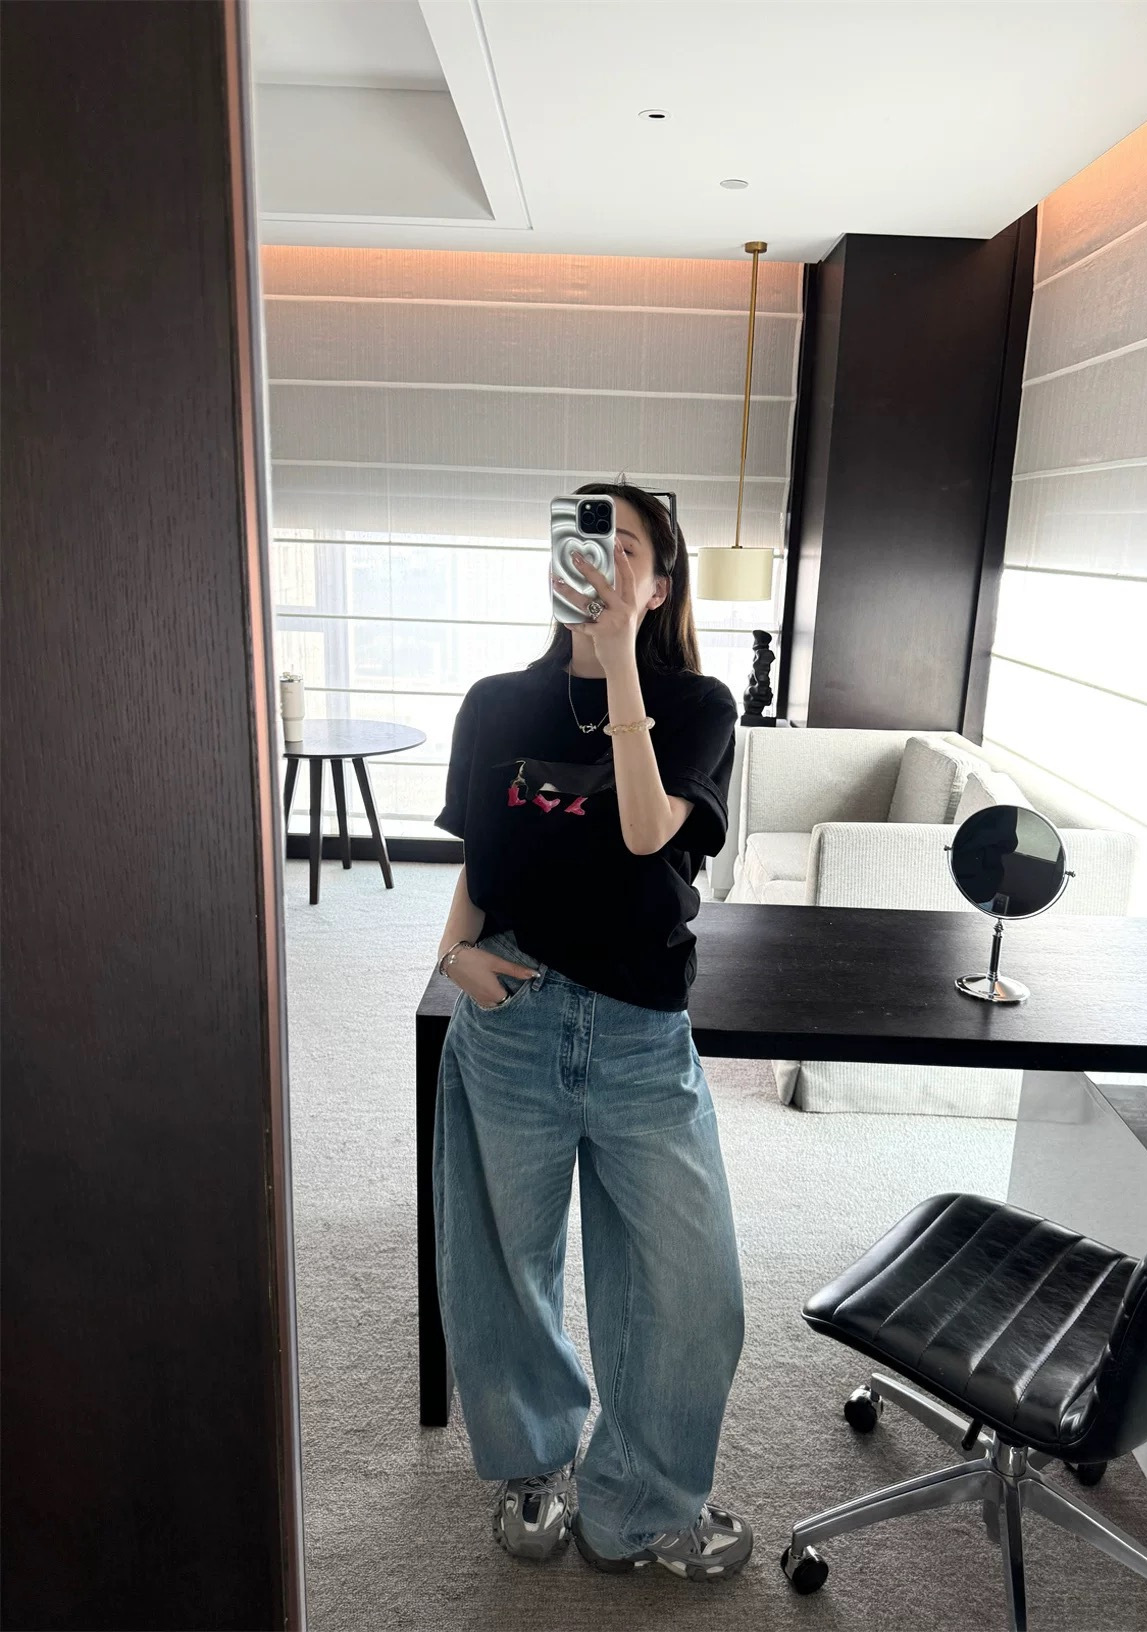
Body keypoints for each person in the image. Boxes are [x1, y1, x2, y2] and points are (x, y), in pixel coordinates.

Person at [432, 482, 752, 1580]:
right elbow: (480, 858)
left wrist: (618, 665)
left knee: (691, 1289)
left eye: (626, 549)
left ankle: (639, 1506)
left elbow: (648, 830)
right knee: (503, 1268)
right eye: (584, 538)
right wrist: (453, 957)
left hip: (640, 1034)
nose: (601, 561)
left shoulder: (699, 704)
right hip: (513, 1021)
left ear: (659, 585)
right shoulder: (494, 704)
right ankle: (532, 1466)